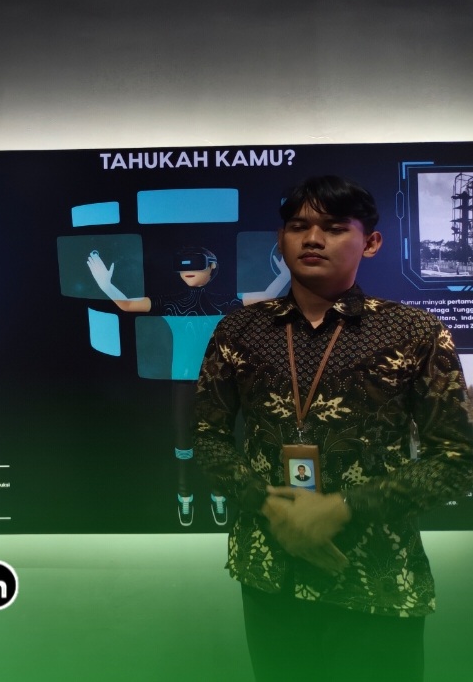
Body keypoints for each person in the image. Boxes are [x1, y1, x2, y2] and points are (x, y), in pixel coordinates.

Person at [194, 175, 473, 682]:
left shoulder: (414, 332)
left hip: (376, 574)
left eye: (334, 227)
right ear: (281, 240)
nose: (313, 238)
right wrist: (268, 504)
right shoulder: (239, 330)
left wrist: (344, 507)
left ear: (371, 242)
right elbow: (208, 439)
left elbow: (457, 459)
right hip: (269, 568)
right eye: (298, 226)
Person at [87, 245, 289, 526]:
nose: (188, 270)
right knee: (183, 438)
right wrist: (105, 285)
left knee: (219, 437)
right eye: (182, 266)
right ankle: (185, 494)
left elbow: (266, 298)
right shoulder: (172, 302)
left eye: (196, 263)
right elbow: (128, 305)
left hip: (218, 382)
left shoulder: (225, 301)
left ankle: (219, 493)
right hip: (183, 380)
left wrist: (285, 275)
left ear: (212, 266)